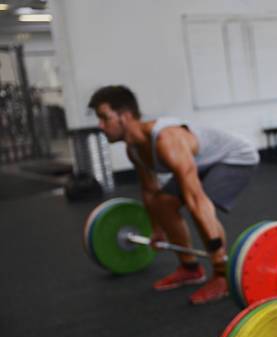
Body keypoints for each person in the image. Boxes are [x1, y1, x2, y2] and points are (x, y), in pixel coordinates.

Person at [88, 85, 259, 305]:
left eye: (104, 118)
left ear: (126, 116)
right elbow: (150, 191)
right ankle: (190, 269)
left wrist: (216, 250)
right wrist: (157, 229)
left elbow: (196, 199)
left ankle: (222, 274)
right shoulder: (134, 149)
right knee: (163, 201)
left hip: (234, 158)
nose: (100, 126)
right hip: (201, 163)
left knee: (196, 203)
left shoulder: (166, 139)